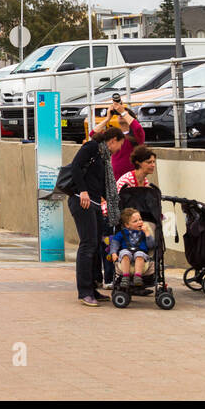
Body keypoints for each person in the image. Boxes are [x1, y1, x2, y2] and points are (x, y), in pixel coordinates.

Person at [65, 125, 126, 306]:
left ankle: (92, 287)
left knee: (97, 244)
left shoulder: (104, 157)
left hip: (95, 203)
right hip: (81, 200)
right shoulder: (92, 147)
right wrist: (83, 191)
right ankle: (84, 291)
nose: (118, 151)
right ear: (112, 140)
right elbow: (75, 167)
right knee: (88, 244)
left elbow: (101, 183)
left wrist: (114, 204)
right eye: (119, 146)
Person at [110, 207, 156, 287]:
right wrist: (113, 252)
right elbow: (115, 242)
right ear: (127, 225)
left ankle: (137, 277)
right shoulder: (122, 233)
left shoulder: (144, 232)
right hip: (126, 252)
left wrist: (147, 233)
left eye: (140, 219)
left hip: (140, 253)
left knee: (139, 255)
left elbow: (151, 246)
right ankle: (125, 277)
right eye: (135, 221)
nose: (140, 222)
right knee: (124, 253)